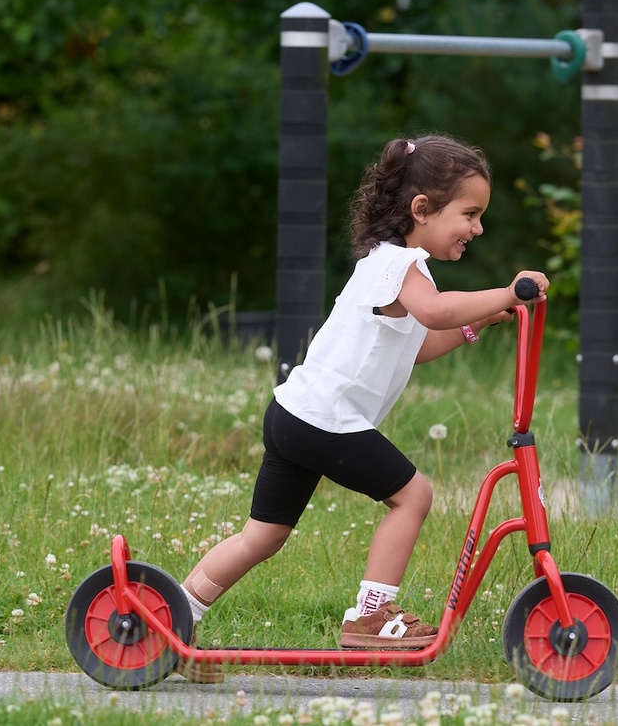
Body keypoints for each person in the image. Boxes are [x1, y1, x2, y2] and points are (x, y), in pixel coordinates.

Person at [176, 134, 549, 683]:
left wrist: (476, 323)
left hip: (297, 414)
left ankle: (174, 617)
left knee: (264, 535)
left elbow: (419, 343)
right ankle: (370, 615)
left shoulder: (393, 268)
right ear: (422, 210)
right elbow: (437, 311)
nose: (477, 228)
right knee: (413, 495)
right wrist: (506, 293)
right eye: (469, 214)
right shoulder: (398, 267)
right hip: (325, 417)